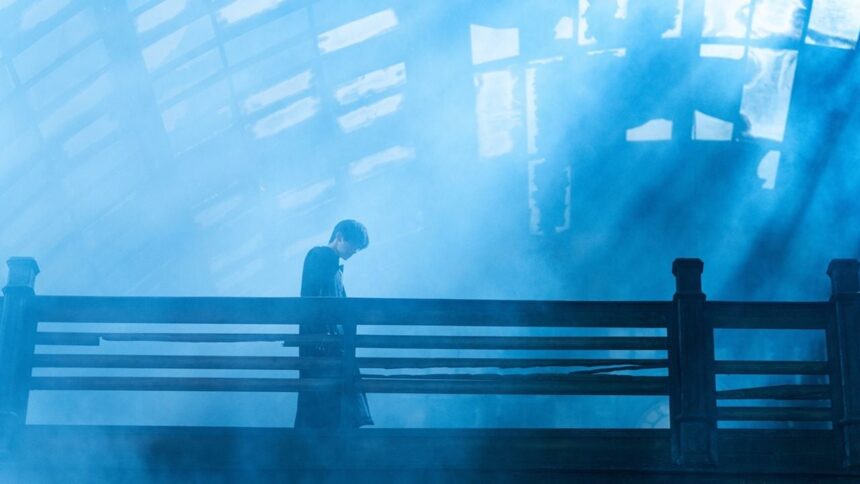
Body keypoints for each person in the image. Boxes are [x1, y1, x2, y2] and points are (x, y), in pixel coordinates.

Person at [294, 219, 374, 428]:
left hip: (329, 340)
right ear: (339, 236)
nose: (355, 250)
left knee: (329, 397)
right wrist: (320, 335)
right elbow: (315, 300)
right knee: (326, 396)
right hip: (322, 341)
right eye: (354, 244)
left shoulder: (332, 265)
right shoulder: (320, 256)